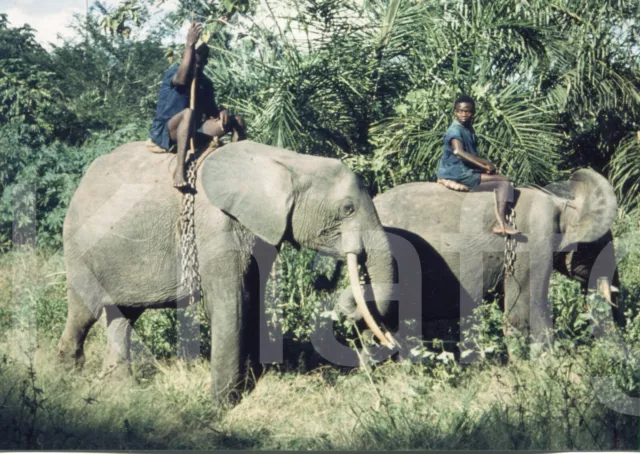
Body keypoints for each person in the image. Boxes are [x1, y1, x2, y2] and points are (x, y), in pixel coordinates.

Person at [149, 22, 246, 190]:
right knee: (188, 113)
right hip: (168, 131)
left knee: (236, 120)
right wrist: (189, 45)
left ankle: (238, 163)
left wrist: (222, 111)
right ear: (186, 59)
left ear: (206, 62)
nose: (197, 67)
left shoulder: (205, 83)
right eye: (194, 62)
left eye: (200, 64)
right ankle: (179, 169)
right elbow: (181, 80)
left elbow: (212, 113)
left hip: (194, 129)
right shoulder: (174, 73)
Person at [436, 95, 520, 235]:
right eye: (460, 111)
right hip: (458, 172)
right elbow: (459, 152)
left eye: (467, 111)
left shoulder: (468, 128)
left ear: (473, 112)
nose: (464, 114)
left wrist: (485, 166)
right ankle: (501, 223)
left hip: (462, 168)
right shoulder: (455, 130)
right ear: (455, 112)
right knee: (504, 182)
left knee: (495, 175)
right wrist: (485, 164)